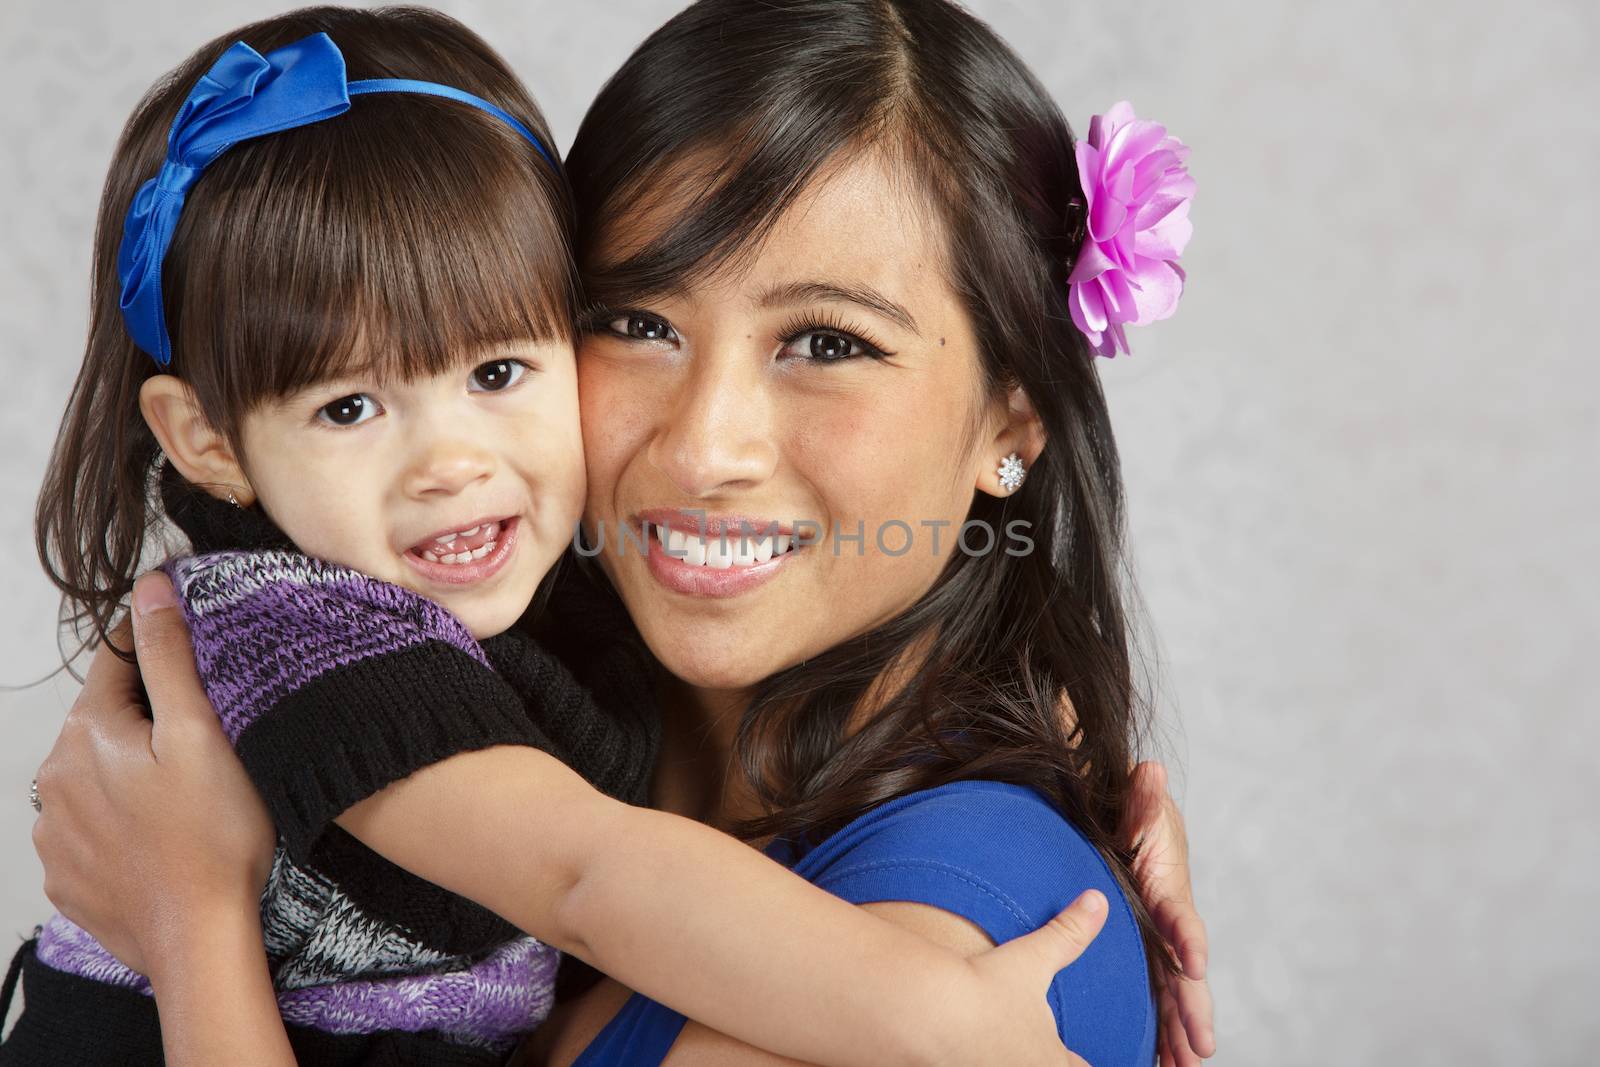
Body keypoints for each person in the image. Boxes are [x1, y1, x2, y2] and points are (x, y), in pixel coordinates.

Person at [24, 2, 1218, 1065]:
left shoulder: (928, 942)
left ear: (1012, 419)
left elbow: (591, 870)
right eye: (636, 321)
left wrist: (191, 921)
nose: (704, 447)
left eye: (829, 343)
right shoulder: (486, 660)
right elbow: (584, 867)